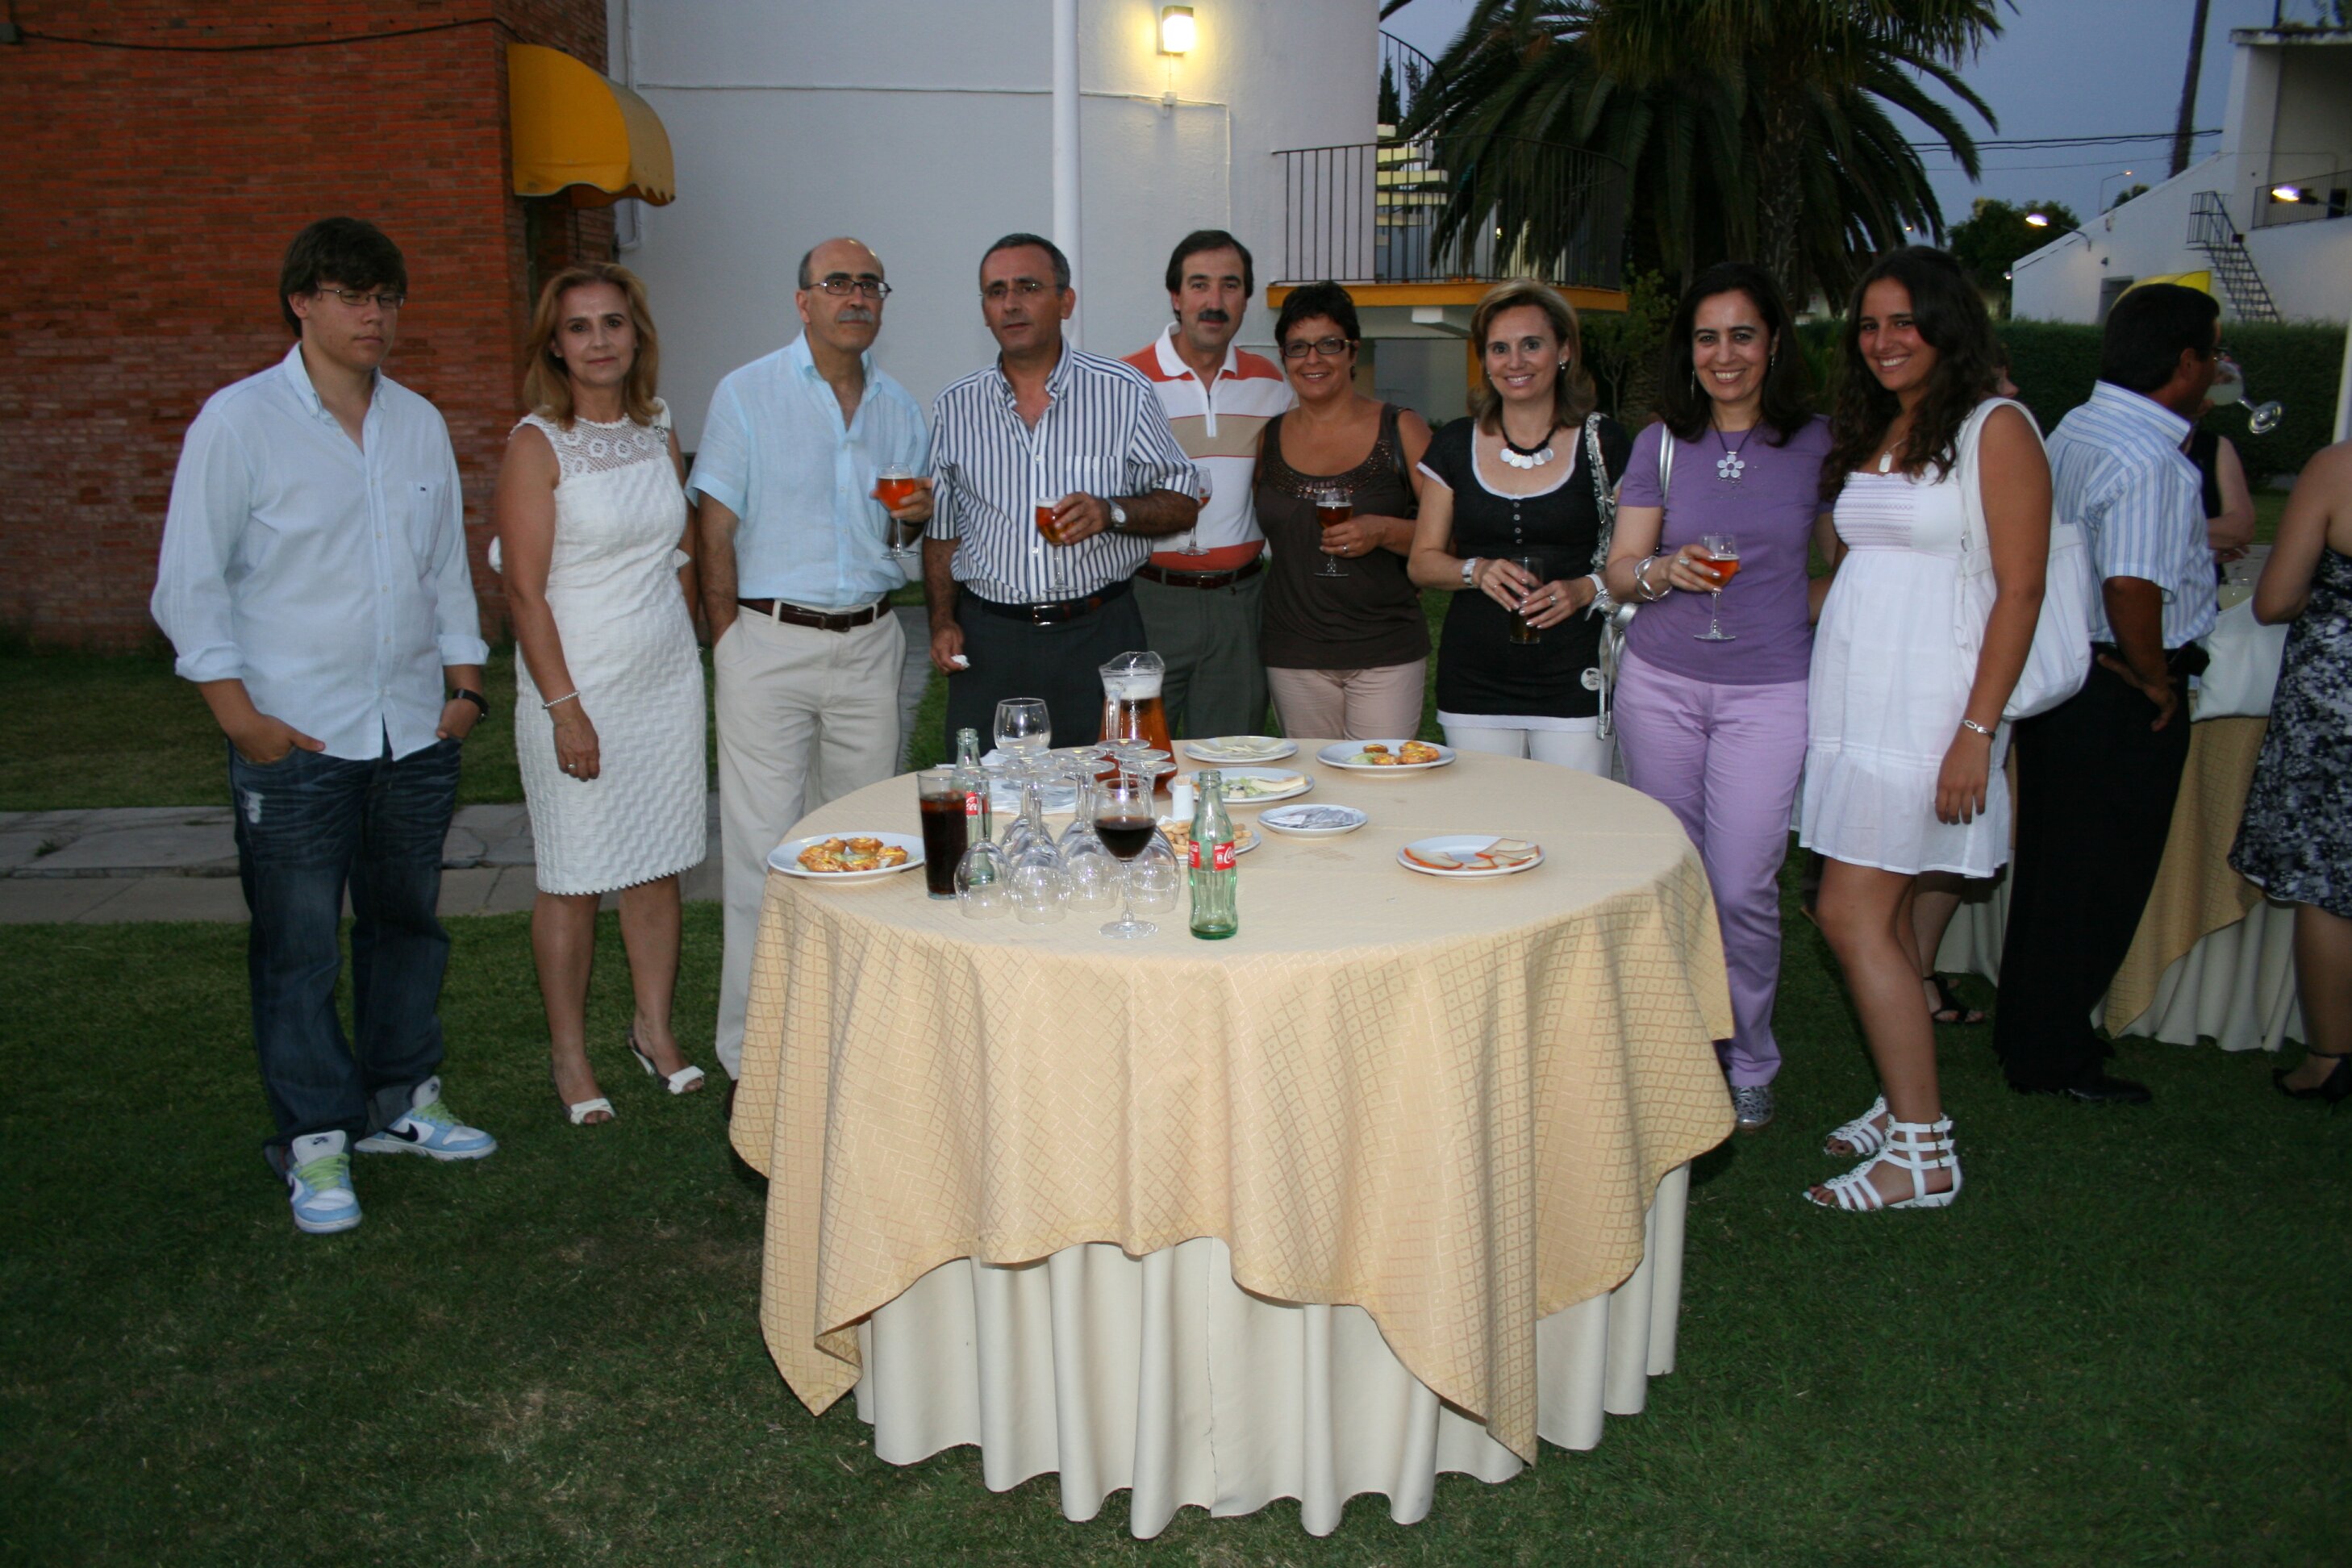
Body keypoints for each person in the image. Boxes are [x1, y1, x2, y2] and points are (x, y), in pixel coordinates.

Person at [150, 217, 497, 1235]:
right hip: (294, 740)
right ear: (300, 302)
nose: (372, 315)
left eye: (385, 297)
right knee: (298, 949)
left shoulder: (417, 422)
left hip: (413, 732)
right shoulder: (238, 422)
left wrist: (465, 689)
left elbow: (443, 568)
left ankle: (401, 1102)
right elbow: (188, 584)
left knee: (407, 929)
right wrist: (241, 720)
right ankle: (314, 1140)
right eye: (350, 295)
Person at [1800, 246, 2050, 1211]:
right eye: (1869, 324)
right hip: (1860, 704)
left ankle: (1922, 1152)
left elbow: (2020, 590)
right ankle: (1903, 1097)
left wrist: (1977, 731)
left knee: (1847, 912)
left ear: (1949, 323)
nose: (1882, 340)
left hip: (1934, 710)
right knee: (1892, 914)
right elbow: (1861, 568)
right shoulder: (1885, 423)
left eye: (1903, 321)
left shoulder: (1997, 427)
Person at [690, 238, 932, 1086]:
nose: (856, 297)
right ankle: (754, 1054)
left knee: (863, 850)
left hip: (869, 644)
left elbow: (898, 544)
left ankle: (846, 1042)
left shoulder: (899, 408)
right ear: (804, 302)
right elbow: (714, 527)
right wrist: (728, 637)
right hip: (768, 643)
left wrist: (911, 520)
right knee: (763, 851)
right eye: (837, 283)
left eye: (870, 283)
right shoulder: (747, 392)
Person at [1603, 261, 1834, 1133]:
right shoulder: (1661, 443)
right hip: (1660, 683)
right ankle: (1678, 1045)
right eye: (1707, 337)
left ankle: (1751, 1057)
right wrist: (1663, 572)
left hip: (1769, 693)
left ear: (1774, 343)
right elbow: (1620, 572)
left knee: (1741, 884)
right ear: (1688, 350)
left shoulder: (1821, 444)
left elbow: (1850, 569)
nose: (1724, 354)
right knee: (1673, 871)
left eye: (1743, 335)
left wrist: (1783, 611)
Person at [1991, 282, 2222, 1107]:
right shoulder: (2149, 458)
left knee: (2055, 870)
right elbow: (2130, 584)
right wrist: (2156, 677)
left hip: (2070, 677)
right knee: (2097, 879)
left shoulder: (2078, 426)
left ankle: (2031, 1032)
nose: (2217, 369)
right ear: (2186, 362)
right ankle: (2054, 1053)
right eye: (2214, 353)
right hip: (2118, 690)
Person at [495, 265, 707, 1125]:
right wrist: (564, 708)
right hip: (578, 688)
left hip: (663, 685)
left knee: (657, 864)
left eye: (613, 323)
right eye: (579, 327)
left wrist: (688, 649)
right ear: (554, 345)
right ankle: (570, 1056)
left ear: (636, 335)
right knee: (574, 875)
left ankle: (653, 1030)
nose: (599, 341)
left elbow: (677, 552)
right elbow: (523, 592)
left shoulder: (658, 428)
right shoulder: (537, 444)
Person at [925, 233, 1201, 747]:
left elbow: (1183, 501)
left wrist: (1111, 512)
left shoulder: (1123, 391)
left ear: (1065, 301)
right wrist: (942, 621)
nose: (1011, 303)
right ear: (984, 310)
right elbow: (943, 532)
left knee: (1108, 783)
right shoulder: (954, 407)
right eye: (996, 291)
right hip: (990, 641)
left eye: (1028, 287)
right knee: (985, 785)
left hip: (1098, 634)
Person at [1407, 280, 1630, 773]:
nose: (1515, 361)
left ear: (1564, 350)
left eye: (1532, 344)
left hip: (1575, 672)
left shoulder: (1604, 442)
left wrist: (1584, 589)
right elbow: (1422, 563)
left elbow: (1636, 558)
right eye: (1499, 348)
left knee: (1576, 813)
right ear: (1485, 360)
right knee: (1484, 815)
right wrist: (1477, 570)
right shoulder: (1454, 444)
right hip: (1476, 676)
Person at [1120, 230, 1293, 737]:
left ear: (1246, 299)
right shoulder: (1124, 382)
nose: (1214, 302)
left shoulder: (1272, 384)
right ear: (1175, 296)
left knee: (1229, 757)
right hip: (1148, 601)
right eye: (1199, 285)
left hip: (1239, 604)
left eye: (1230, 286)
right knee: (1136, 760)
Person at [2229, 439, 2352, 1105]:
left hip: (2337, 703)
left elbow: (2274, 598)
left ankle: (2331, 1058)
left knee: (2328, 883)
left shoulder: (2339, 468)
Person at [1254, 281, 1433, 740]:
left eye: (1329, 344)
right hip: (1294, 650)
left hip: (1384, 648)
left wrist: (1384, 530)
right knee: (1314, 781)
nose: (1312, 359)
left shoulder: (1401, 428)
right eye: (1298, 347)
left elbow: (1449, 536)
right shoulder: (1269, 437)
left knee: (1380, 776)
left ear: (1353, 351)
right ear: (1285, 358)